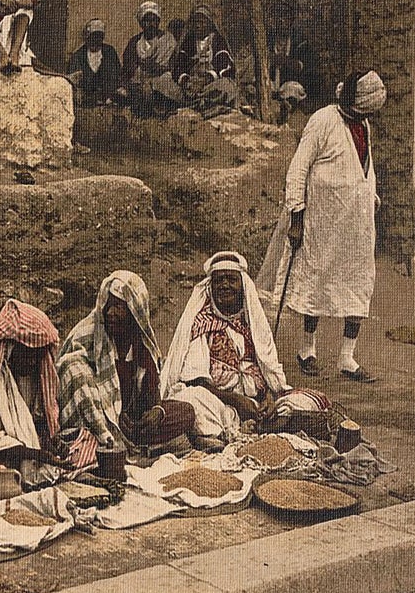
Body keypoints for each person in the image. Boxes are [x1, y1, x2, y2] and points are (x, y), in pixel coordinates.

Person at [259, 69, 386, 380]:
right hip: (322, 222)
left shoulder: (363, 124)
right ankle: (307, 349)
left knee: (359, 283)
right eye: (364, 110)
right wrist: (297, 218)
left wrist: (371, 193)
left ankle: (347, 358)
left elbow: (363, 165)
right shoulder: (323, 120)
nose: (367, 115)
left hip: (356, 225)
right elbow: (298, 170)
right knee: (316, 282)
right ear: (352, 102)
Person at [0, 299, 92, 490]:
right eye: (27, 354)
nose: (33, 362)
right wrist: (37, 455)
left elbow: (33, 423)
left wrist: (51, 444)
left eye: (37, 356)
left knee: (87, 440)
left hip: (26, 452)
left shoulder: (33, 372)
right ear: (11, 347)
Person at [161, 252, 290, 448]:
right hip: (216, 403)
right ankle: (221, 433)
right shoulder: (202, 324)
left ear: (243, 286)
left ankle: (254, 425)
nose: (224, 285)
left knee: (304, 402)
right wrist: (235, 400)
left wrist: (270, 398)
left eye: (231, 279)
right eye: (218, 280)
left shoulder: (252, 323)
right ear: (210, 287)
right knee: (188, 399)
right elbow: (195, 379)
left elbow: (268, 368)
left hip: (253, 404)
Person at [57, 271, 195, 452]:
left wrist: (156, 412)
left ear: (134, 311)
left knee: (186, 412)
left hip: (131, 423)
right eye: (108, 305)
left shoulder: (139, 343)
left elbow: (152, 395)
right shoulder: (88, 337)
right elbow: (77, 383)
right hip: (98, 421)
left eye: (119, 307)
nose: (111, 313)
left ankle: (136, 443)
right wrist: (112, 412)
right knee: (74, 366)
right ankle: (115, 447)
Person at [174, 5, 241, 116]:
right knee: (165, 81)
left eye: (202, 22)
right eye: (196, 22)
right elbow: (179, 65)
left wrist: (206, 79)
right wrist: (186, 81)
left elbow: (224, 64)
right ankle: (199, 104)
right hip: (190, 86)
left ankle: (200, 104)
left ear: (210, 24)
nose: (198, 26)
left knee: (227, 86)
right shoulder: (188, 42)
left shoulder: (217, 40)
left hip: (210, 85)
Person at [124, 2, 182, 114]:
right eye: (147, 21)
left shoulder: (168, 40)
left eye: (154, 20)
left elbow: (174, 65)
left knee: (166, 81)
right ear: (141, 23)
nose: (151, 24)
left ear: (158, 22)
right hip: (140, 79)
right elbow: (128, 66)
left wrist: (157, 68)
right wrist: (140, 67)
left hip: (162, 78)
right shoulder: (134, 42)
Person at [65, 20, 126, 105]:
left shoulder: (110, 52)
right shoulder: (78, 56)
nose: (96, 40)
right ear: (87, 37)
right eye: (93, 36)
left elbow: (118, 75)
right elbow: (73, 81)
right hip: (88, 100)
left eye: (99, 37)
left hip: (109, 99)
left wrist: (119, 89)